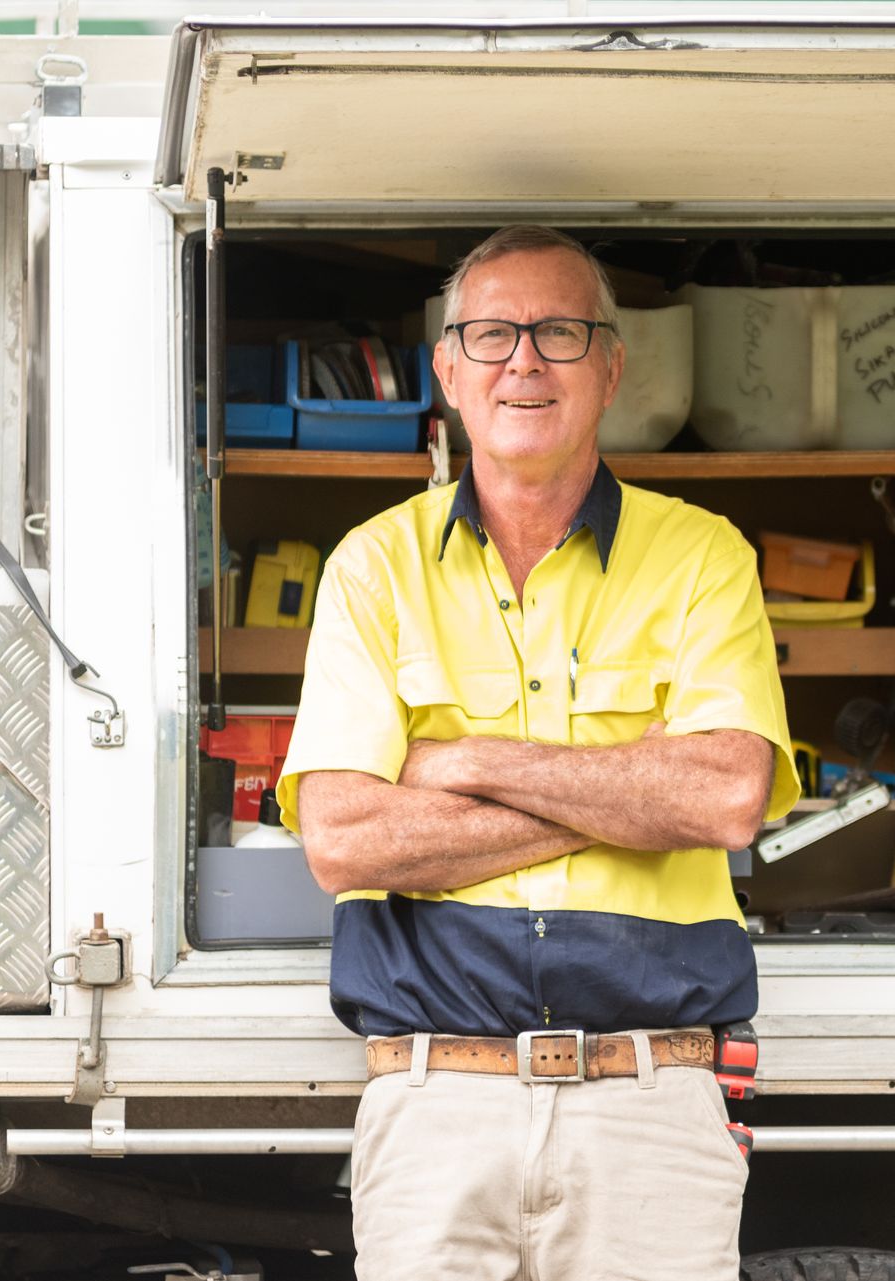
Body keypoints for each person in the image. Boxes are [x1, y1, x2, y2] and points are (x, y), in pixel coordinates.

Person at [274, 224, 800, 1281]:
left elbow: (726, 798)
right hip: (435, 1103)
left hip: (651, 1104)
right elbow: (341, 838)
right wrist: (623, 789)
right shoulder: (375, 568)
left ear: (611, 367)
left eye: (558, 333)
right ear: (449, 371)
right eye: (493, 334)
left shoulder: (702, 556)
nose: (525, 360)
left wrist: (462, 761)